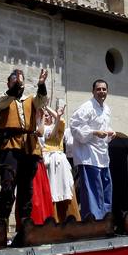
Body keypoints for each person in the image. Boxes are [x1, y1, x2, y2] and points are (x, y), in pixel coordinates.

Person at [0, 68, 49, 242]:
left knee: (26, 189)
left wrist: (41, 84)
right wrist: (16, 87)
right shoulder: (3, 99)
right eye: (15, 81)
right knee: (8, 185)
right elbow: (4, 102)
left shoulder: (31, 100)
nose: (19, 84)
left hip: (29, 147)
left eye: (21, 81)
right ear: (8, 83)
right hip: (9, 145)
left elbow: (42, 101)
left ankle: (24, 228)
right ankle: (2, 223)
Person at [68, 79, 115, 222]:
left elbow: (104, 127)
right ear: (93, 91)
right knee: (92, 191)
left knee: (106, 188)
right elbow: (74, 126)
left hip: (102, 155)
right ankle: (93, 221)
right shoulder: (86, 107)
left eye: (104, 89)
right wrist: (93, 132)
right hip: (88, 155)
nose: (102, 92)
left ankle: (105, 219)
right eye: (99, 89)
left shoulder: (106, 109)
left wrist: (110, 133)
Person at [37, 101, 81, 223]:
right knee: (51, 190)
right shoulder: (41, 128)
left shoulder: (59, 125)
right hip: (48, 161)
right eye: (44, 115)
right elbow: (49, 135)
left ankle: (70, 218)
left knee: (66, 188)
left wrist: (49, 109)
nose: (47, 117)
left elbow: (58, 124)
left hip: (60, 161)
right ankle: (53, 219)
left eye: (48, 115)